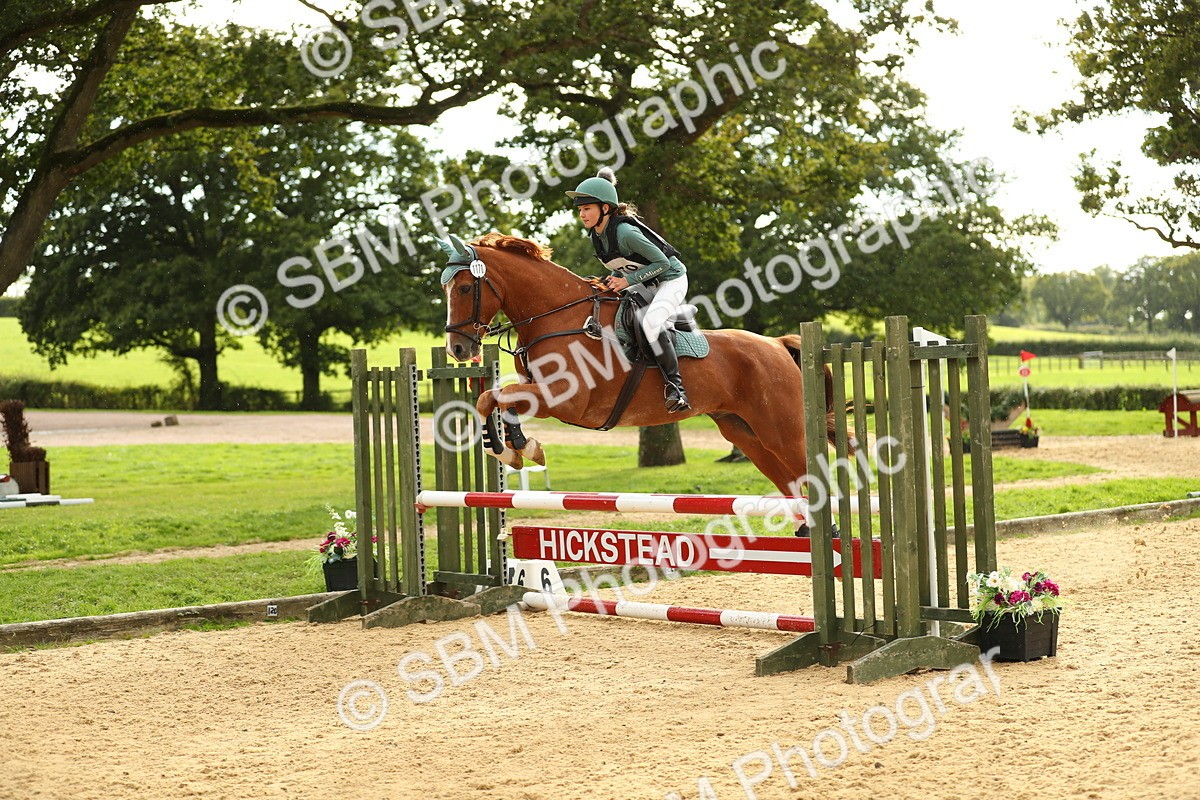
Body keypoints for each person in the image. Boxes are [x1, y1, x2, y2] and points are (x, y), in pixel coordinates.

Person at [565, 168, 691, 412]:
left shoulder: (625, 232)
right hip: (645, 282)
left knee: (651, 322)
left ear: (605, 208)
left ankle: (676, 388)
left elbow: (663, 263)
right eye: (580, 210)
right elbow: (621, 266)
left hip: (671, 280)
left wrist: (626, 281)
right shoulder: (597, 235)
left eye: (587, 208)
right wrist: (612, 282)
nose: (582, 214)